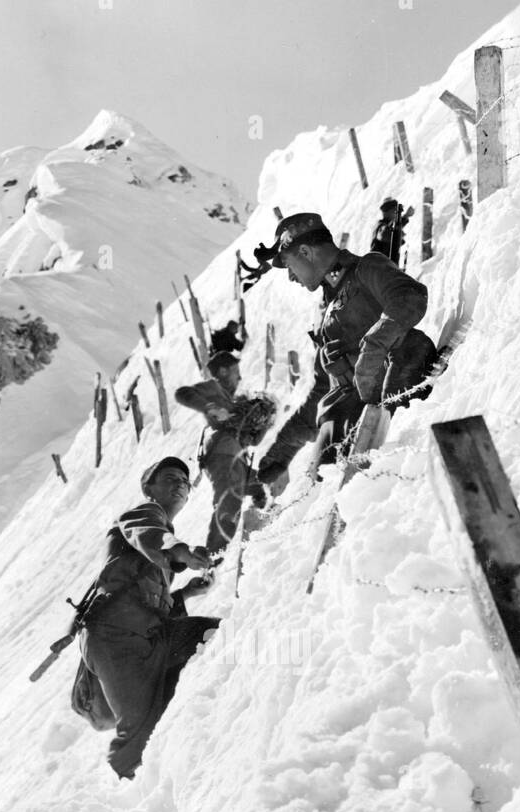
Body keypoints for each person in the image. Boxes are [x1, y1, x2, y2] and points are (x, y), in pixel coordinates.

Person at [242, 212, 437, 481]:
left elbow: (408, 298)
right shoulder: (327, 313)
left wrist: (374, 346)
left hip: (387, 415)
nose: (290, 277)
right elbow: (322, 389)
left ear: (306, 252)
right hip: (344, 431)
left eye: (288, 264)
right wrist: (282, 451)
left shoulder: (366, 269)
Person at [74, 457, 219, 778]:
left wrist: (186, 594)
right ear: (149, 488)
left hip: (147, 637)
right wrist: (181, 552)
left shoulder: (157, 544)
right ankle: (126, 792)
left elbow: (151, 606)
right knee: (139, 730)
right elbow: (152, 534)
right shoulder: (142, 514)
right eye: (169, 478)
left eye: (184, 482)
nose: (179, 484)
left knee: (211, 634)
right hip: (115, 637)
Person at [174, 353, 275, 558]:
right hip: (222, 455)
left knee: (264, 484)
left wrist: (264, 423)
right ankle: (213, 559)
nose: (239, 377)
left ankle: (260, 531)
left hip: (236, 458)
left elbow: (253, 440)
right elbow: (182, 393)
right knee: (229, 501)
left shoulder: (233, 401)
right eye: (236, 371)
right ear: (222, 371)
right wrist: (210, 407)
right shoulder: (212, 387)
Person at [370, 198, 411, 265]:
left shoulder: (387, 226)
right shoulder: (380, 226)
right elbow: (385, 233)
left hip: (388, 267)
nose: (396, 214)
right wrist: (405, 217)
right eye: (394, 211)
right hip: (378, 267)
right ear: (386, 212)